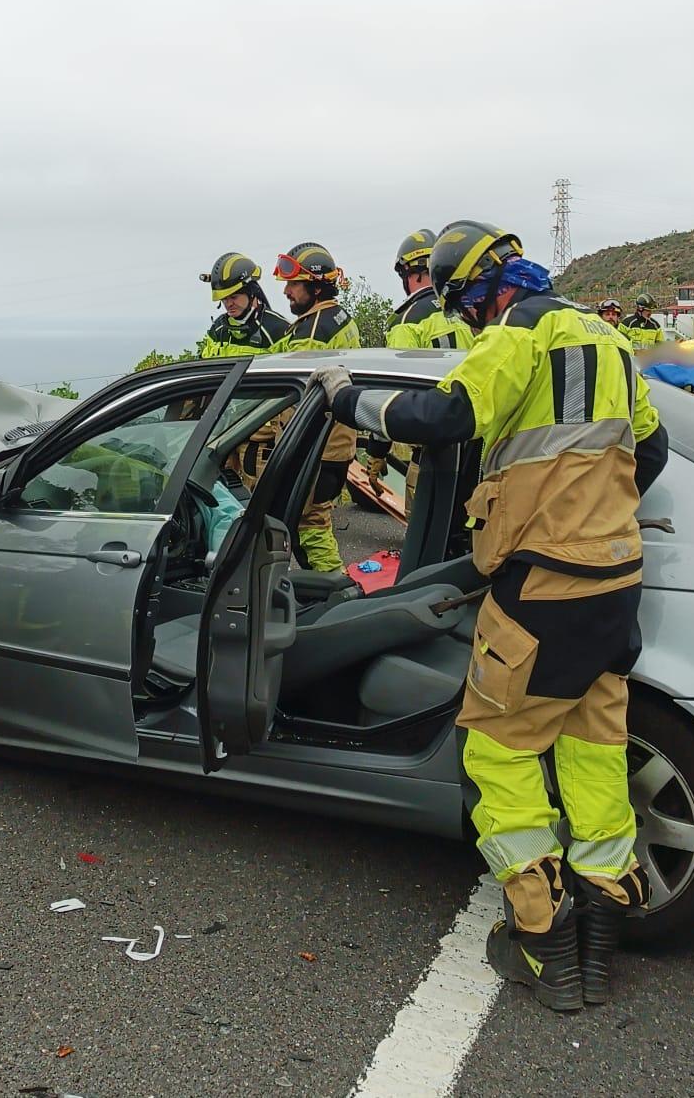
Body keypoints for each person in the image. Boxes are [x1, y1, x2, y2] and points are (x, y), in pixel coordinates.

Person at [313, 221, 668, 1012]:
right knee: (592, 742)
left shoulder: (517, 332)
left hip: (543, 586)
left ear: (476, 289)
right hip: (616, 579)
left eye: (466, 306)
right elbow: (652, 449)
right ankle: (602, 922)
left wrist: (346, 397)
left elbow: (443, 418)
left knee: (499, 751)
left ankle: (541, 937)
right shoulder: (606, 337)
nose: (469, 322)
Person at [355, 228, 475, 510]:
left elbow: (393, 395)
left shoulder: (406, 321)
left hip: (432, 456)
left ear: (409, 273)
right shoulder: (467, 311)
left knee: (426, 543)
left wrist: (376, 452)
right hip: (475, 452)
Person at [270, 242, 361, 572]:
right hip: (337, 446)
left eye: (293, 285)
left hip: (313, 448)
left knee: (309, 527)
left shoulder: (310, 334)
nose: (286, 292)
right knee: (312, 522)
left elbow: (298, 399)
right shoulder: (340, 319)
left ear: (316, 285)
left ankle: (332, 592)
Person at [197, 252, 290, 357]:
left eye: (234, 297)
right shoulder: (218, 329)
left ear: (251, 292)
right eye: (224, 299)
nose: (229, 304)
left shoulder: (278, 329)